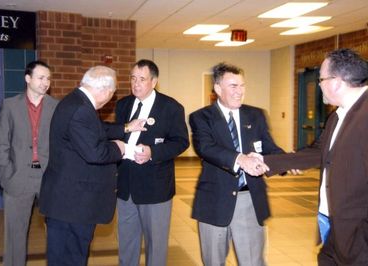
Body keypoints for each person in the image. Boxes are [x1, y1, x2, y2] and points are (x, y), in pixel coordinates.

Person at [264, 48, 368, 265]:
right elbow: (319, 152)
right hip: (333, 228)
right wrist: (266, 163)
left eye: (321, 79)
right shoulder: (338, 115)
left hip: (358, 234)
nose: (319, 84)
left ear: (336, 82)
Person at [38, 66, 145, 266]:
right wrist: (119, 148)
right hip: (73, 205)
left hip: (67, 202)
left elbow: (96, 130)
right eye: (111, 94)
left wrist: (126, 127)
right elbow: (96, 152)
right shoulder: (81, 109)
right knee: (71, 258)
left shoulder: (77, 101)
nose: (109, 98)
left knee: (67, 257)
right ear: (105, 91)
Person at [189, 62, 283, 266]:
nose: (239, 91)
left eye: (242, 86)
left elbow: (269, 148)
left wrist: (287, 162)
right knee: (213, 261)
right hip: (214, 201)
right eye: (233, 86)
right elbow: (206, 148)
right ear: (217, 89)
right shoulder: (201, 117)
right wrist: (241, 159)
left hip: (249, 200)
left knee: (253, 262)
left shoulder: (256, 115)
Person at [115, 59, 189, 266]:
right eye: (133, 78)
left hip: (155, 188)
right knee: (127, 243)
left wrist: (153, 152)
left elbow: (181, 142)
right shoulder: (123, 105)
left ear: (154, 81)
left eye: (142, 79)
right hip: (126, 187)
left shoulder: (171, 107)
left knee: (156, 246)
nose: (135, 84)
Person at [0, 60, 59, 266]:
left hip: (49, 177)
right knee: (15, 235)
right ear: (27, 78)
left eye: (48, 78)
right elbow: (1, 143)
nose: (45, 82)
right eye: (41, 77)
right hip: (18, 177)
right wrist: (7, 174)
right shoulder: (10, 105)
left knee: (58, 232)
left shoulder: (56, 107)